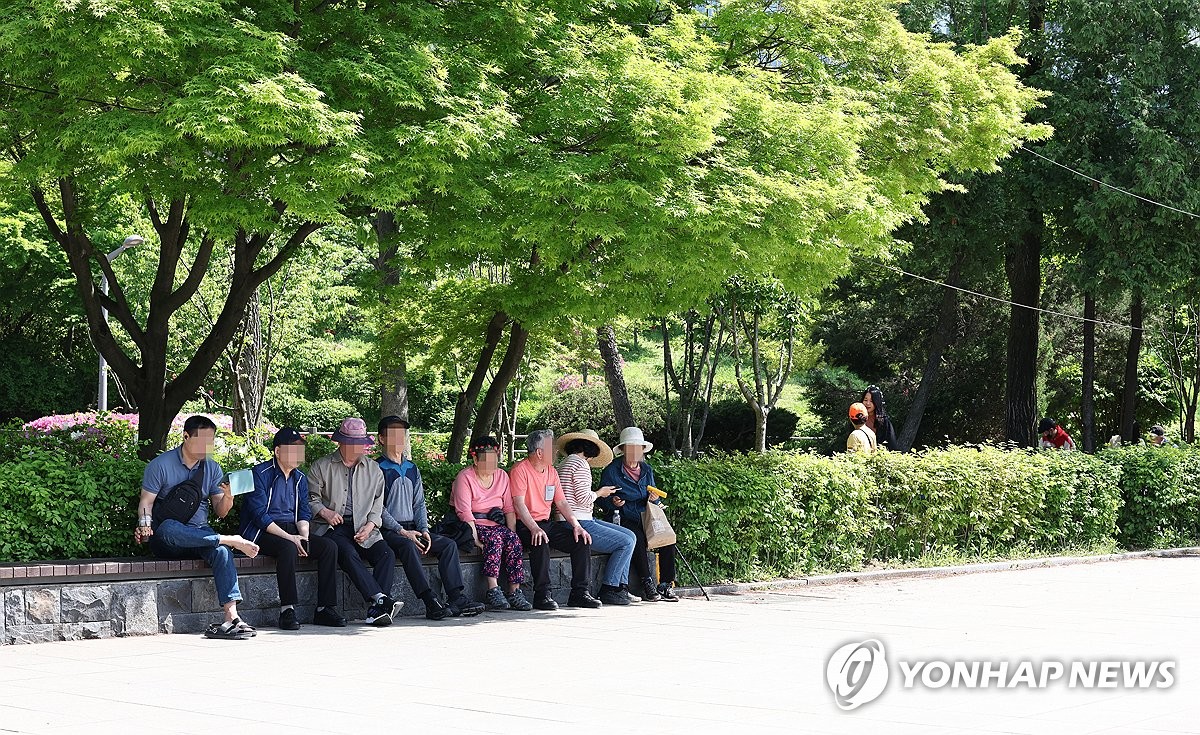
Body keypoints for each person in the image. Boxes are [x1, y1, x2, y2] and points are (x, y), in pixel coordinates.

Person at [135, 415, 260, 640]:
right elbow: (146, 503)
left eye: (210, 441)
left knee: (221, 551)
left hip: (202, 533)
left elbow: (221, 511)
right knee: (169, 528)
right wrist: (145, 527)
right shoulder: (160, 465)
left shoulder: (212, 468)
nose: (207, 447)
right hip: (169, 538)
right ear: (185, 436)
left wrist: (229, 496)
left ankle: (231, 617)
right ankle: (228, 539)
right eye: (202, 440)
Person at [377, 416, 485, 619]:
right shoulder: (377, 469)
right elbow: (378, 509)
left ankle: (456, 597)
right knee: (409, 546)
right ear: (381, 439)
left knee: (448, 544)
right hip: (389, 531)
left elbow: (419, 504)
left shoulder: (412, 468)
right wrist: (402, 531)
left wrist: (424, 530)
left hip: (414, 528)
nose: (399, 438)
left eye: (402, 433)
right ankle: (430, 600)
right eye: (393, 433)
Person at [239, 427, 345, 630]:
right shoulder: (259, 474)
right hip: (263, 532)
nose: (298, 454)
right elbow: (260, 516)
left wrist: (303, 536)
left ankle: (325, 609)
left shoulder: (300, 479)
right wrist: (290, 538)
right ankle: (287, 610)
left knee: (329, 547)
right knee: (287, 547)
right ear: (278, 451)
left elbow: (303, 513)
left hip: (292, 530)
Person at [308, 417, 403, 626]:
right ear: (341, 442)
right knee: (347, 552)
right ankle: (381, 600)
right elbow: (310, 498)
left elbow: (378, 505)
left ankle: (377, 609)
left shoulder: (373, 469)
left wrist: (370, 526)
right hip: (333, 527)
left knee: (387, 554)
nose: (357, 448)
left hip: (364, 526)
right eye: (352, 443)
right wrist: (325, 512)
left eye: (360, 443)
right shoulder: (321, 466)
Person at [509, 429, 599, 610]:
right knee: (540, 539)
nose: (556, 452)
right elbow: (519, 504)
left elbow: (562, 502)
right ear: (540, 452)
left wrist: (577, 525)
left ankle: (579, 593)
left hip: (545, 523)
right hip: (525, 525)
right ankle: (542, 595)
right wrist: (534, 528)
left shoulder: (552, 472)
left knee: (581, 540)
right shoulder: (520, 470)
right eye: (552, 448)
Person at [555, 429, 637, 606]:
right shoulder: (581, 464)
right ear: (591, 449)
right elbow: (584, 498)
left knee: (630, 535)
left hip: (566, 519)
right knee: (627, 541)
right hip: (580, 520)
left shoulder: (563, 463)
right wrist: (601, 492)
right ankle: (610, 588)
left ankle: (620, 587)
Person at [450, 436, 532, 611]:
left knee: (513, 540)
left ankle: (514, 590)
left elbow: (509, 508)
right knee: (494, 539)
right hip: (473, 524)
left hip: (496, 523)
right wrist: (475, 540)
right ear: (475, 459)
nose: (491, 465)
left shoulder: (502, 476)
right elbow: (465, 513)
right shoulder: (465, 477)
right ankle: (493, 588)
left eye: (494, 461)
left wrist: (512, 533)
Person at [597, 426, 679, 602]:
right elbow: (601, 500)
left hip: (645, 515)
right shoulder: (611, 471)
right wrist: (612, 502)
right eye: (630, 448)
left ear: (642, 450)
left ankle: (665, 584)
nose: (634, 452)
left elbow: (653, 495)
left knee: (667, 537)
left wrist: (655, 499)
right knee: (637, 537)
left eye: (638, 448)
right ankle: (647, 582)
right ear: (623, 450)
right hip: (622, 516)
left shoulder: (647, 470)